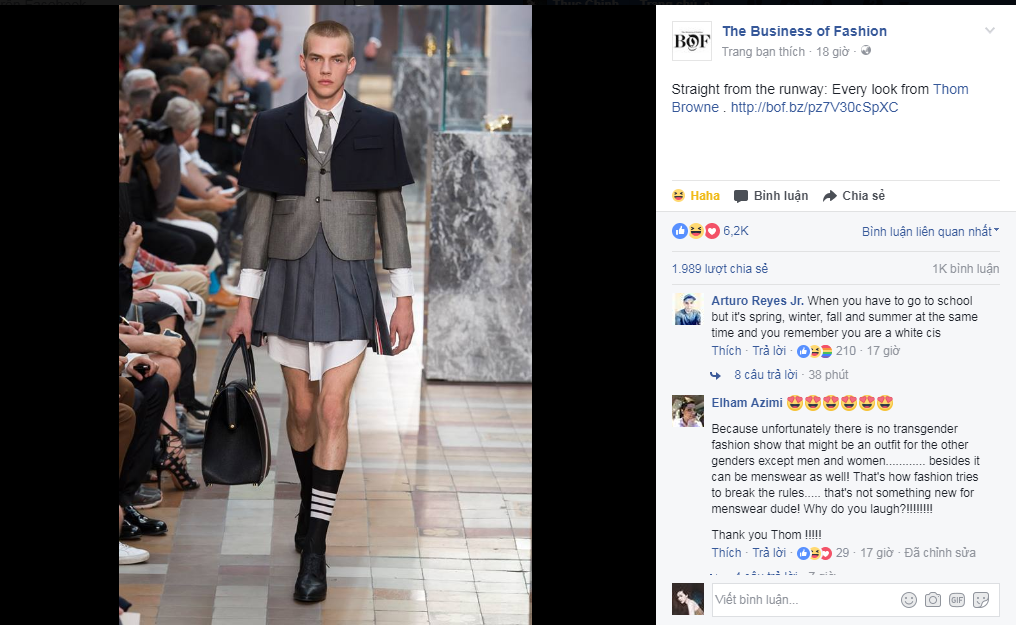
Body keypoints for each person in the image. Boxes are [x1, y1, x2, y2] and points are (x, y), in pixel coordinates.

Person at [228, 19, 415, 604]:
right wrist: (244, 302)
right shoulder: (272, 126)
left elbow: (392, 215)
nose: (327, 68)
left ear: (351, 64)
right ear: (303, 62)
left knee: (334, 409)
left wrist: (404, 299)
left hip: (351, 277)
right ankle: (312, 506)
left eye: (338, 59)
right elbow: (257, 218)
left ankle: (315, 546)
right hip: (287, 277)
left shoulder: (379, 126)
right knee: (303, 410)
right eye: (318, 58)